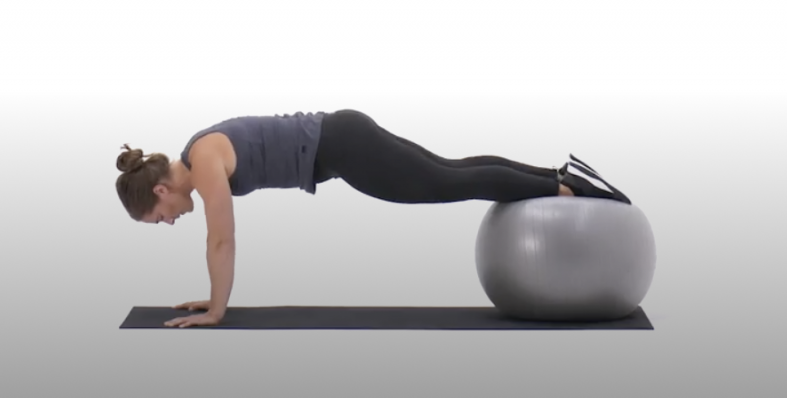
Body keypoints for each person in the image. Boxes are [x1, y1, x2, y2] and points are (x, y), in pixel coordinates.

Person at [114, 108, 632, 327]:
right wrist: (215, 298)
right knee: (449, 171)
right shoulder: (198, 153)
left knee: (446, 183)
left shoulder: (202, 162)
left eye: (157, 217)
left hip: (342, 146)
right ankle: (562, 177)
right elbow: (220, 243)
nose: (167, 222)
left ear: (160, 189)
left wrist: (216, 312)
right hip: (343, 137)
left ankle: (563, 187)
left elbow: (221, 241)